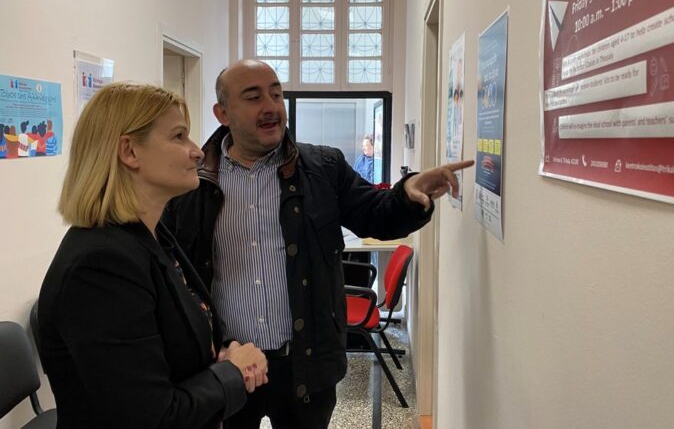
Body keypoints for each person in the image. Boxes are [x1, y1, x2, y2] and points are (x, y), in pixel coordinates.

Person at [162, 59, 474, 429]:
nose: (271, 107)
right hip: (226, 366)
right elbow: (172, 271)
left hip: (305, 366)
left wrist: (407, 194)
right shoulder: (192, 182)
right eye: (253, 97)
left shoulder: (323, 167)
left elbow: (376, 215)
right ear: (223, 113)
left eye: (276, 94)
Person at [38, 83, 269, 429]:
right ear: (130, 151)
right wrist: (231, 371)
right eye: (179, 136)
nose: (196, 152)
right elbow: (153, 417)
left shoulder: (152, 237)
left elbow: (173, 343)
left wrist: (220, 354)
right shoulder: (100, 267)